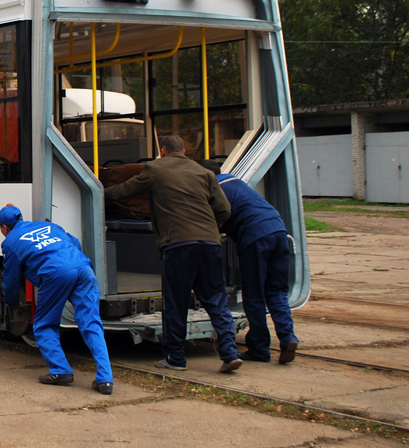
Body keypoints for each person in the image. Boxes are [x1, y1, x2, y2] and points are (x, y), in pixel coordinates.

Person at [104, 135, 241, 373]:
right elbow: (224, 209)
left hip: (178, 244)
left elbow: (124, 191)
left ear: (163, 150)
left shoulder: (155, 169)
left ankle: (176, 358)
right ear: (184, 151)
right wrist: (210, 229)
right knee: (216, 299)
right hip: (210, 243)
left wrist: (95, 191)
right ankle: (229, 353)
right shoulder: (204, 173)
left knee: (176, 302)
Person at [0, 205, 114, 394]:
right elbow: (74, 243)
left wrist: (13, 302)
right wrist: (71, 263)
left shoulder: (10, 242)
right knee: (91, 323)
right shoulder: (48, 226)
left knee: (44, 324)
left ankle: (60, 370)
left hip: (55, 274)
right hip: (83, 268)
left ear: (4, 227)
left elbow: (11, 278)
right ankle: (105, 379)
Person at [199, 160, 299, 364]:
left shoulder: (213, 190)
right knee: (277, 290)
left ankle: (259, 349)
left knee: (254, 295)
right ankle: (288, 336)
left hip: (255, 237)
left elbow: (215, 219)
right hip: (279, 230)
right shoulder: (236, 182)